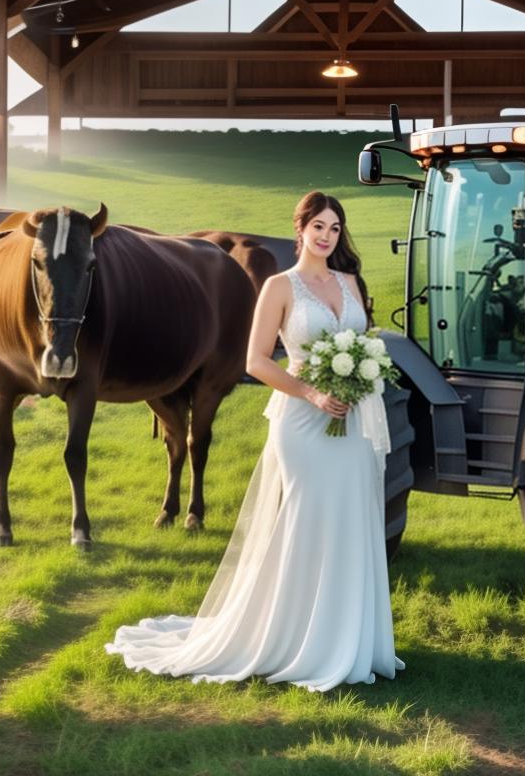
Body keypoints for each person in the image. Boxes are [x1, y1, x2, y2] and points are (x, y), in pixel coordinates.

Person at [105, 191, 405, 692]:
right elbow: (256, 361)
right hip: (302, 422)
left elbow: (365, 342)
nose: (327, 236)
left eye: (335, 228)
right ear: (300, 230)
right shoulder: (279, 286)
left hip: (351, 421)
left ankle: (346, 638)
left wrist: (357, 379)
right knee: (305, 523)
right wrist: (311, 392)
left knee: (350, 520)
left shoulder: (351, 282)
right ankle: (290, 638)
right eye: (319, 227)